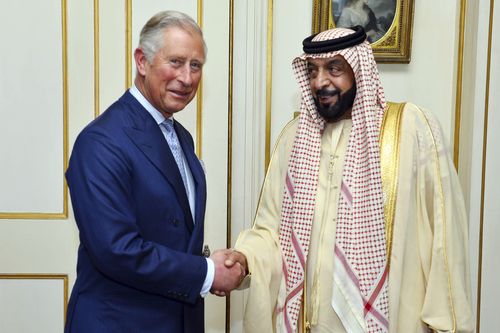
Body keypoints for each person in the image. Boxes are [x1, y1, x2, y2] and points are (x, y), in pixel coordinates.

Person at [223, 26, 474, 332]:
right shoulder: (294, 138)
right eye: (313, 71)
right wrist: (245, 258)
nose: (320, 82)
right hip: (309, 322)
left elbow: (444, 239)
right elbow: (271, 231)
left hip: (392, 319)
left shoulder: (409, 129)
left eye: (334, 68)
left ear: (359, 70)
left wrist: (447, 323)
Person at [64, 10, 244, 333]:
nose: (187, 78)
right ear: (142, 61)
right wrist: (206, 272)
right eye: (175, 62)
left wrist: (214, 268)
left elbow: (174, 235)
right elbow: (117, 251)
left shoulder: (181, 137)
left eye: (196, 65)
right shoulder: (100, 142)